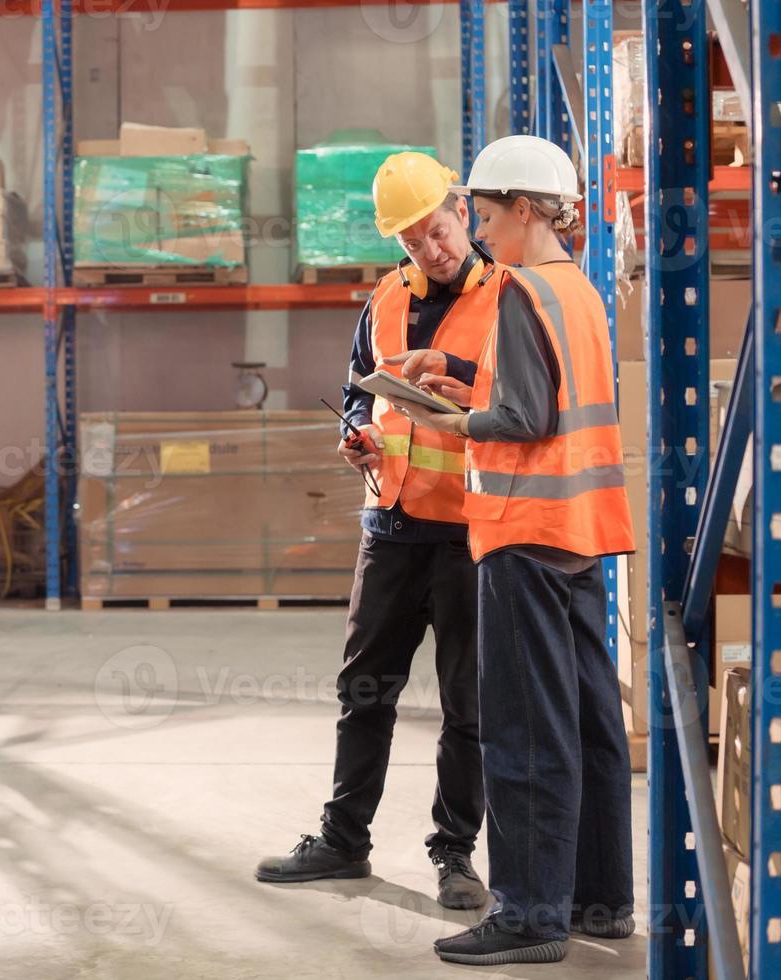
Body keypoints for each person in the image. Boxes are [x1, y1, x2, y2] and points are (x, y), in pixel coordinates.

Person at [391, 135, 637, 966]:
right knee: (591, 723)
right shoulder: (576, 290)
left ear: (526, 210)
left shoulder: (520, 292)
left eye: (488, 216)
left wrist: (456, 422)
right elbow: (548, 400)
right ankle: (600, 904)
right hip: (581, 534)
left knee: (526, 730)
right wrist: (466, 379)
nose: (482, 232)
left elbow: (524, 420)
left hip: (524, 534)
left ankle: (531, 913)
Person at [254, 152, 498, 911]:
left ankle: (455, 855)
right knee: (364, 690)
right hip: (390, 524)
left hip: (468, 531)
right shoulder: (384, 301)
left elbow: (524, 404)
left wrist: (457, 371)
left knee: (469, 707)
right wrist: (357, 432)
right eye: (414, 240)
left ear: (462, 208)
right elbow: (362, 389)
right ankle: (343, 839)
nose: (433, 248)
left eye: (438, 229)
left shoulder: (510, 297)